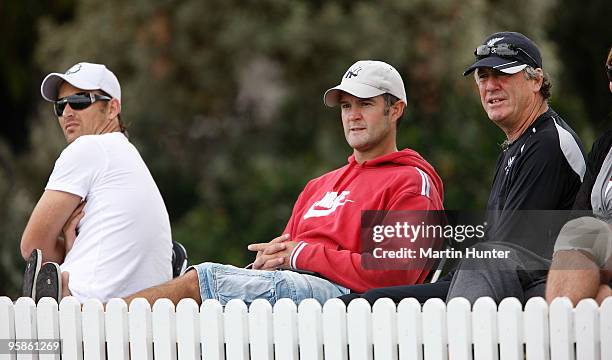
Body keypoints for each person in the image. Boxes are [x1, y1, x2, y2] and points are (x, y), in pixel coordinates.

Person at [95, 60, 444, 306]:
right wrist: (271, 259)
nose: (352, 116)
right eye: (345, 106)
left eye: (365, 104)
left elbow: (391, 274)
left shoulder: (411, 180)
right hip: (295, 290)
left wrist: (302, 255)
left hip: (347, 302)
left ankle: (98, 320)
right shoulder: (319, 185)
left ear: (395, 110)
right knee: (206, 304)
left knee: (201, 281)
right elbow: (287, 252)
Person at [341, 31, 586, 305]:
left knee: (369, 304)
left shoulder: (548, 143)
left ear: (536, 81)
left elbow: (507, 256)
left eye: (502, 74)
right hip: (503, 285)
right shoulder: (521, 143)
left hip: (535, 299)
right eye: (483, 76)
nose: (490, 86)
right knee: (366, 302)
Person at [21, 62, 172, 303]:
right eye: (60, 106)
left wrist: (67, 251)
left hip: (84, 311)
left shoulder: (89, 148)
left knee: (9, 339)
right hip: (144, 315)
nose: (67, 112)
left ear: (112, 108)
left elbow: (33, 247)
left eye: (80, 101)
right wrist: (73, 247)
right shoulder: (127, 156)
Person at [545, 47, 612, 305]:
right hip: (595, 266)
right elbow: (578, 216)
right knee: (601, 299)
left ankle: (551, 336)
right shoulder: (605, 146)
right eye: (611, 73)